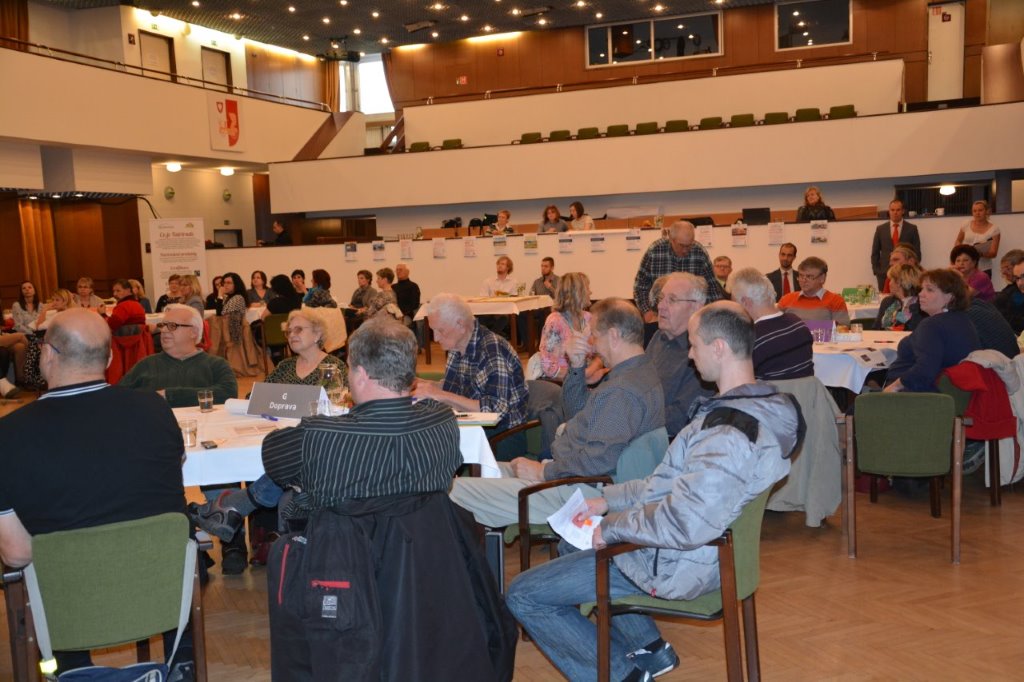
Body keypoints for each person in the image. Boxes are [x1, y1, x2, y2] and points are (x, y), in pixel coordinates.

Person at [505, 301, 799, 682]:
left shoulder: (727, 435)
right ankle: (649, 648)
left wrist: (611, 528)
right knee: (571, 543)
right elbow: (669, 485)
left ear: (719, 348)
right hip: (689, 552)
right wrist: (607, 501)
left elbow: (682, 522)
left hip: (677, 563)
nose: (689, 355)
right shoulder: (750, 410)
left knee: (523, 594)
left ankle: (621, 675)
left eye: (694, 344)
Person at [0, 308, 193, 678]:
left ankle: (73, 669)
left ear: (47, 355)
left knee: (47, 565)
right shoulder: (155, 409)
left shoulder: (8, 436)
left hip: (72, 604)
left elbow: (17, 553)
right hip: (161, 586)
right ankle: (181, 662)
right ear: (108, 358)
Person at [450, 298, 664, 529]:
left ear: (613, 336)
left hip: (578, 489)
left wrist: (543, 471)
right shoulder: (639, 373)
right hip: (574, 476)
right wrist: (577, 366)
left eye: (594, 336)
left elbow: (597, 460)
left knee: (453, 489)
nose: (592, 345)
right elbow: (576, 412)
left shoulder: (621, 391)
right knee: (485, 472)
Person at [415, 293, 528, 453]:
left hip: (503, 436)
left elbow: (495, 412)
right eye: (433, 330)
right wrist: (424, 385)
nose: (436, 337)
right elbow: (455, 390)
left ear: (460, 325)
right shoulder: (457, 346)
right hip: (473, 426)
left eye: (440, 330)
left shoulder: (493, 350)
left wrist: (439, 394)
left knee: (427, 447)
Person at [120, 304, 238, 406]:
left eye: (172, 326)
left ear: (193, 332)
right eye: (162, 325)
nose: (164, 330)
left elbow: (228, 394)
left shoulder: (216, 365)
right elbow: (118, 396)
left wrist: (169, 395)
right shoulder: (146, 364)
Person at [884, 269, 980, 392]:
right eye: (922, 289)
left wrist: (893, 387)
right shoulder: (963, 319)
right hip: (953, 394)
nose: (921, 294)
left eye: (929, 290)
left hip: (917, 395)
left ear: (950, 297)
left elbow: (924, 370)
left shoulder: (932, 325)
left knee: (861, 402)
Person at [646, 273, 714, 436]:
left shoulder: (702, 351)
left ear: (696, 307)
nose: (660, 306)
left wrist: (631, 418)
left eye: (672, 300)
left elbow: (680, 418)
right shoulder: (658, 337)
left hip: (667, 440)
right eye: (661, 298)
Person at [633, 220, 725, 328]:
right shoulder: (655, 251)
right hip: (659, 317)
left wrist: (712, 316)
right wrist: (647, 312)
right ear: (671, 239)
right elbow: (640, 286)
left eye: (689, 245)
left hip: (691, 320)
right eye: (681, 245)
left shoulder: (699, 252)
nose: (685, 250)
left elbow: (712, 290)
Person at [729, 267, 814, 381]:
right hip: (806, 392)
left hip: (769, 392)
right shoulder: (798, 324)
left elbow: (737, 381)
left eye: (734, 302)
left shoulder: (751, 338)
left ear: (745, 302)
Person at [536, 272, 602, 381]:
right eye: (587, 287)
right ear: (577, 293)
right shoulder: (555, 321)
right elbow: (549, 368)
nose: (590, 292)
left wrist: (591, 371)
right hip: (564, 383)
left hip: (589, 377)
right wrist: (584, 375)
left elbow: (601, 354)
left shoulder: (588, 318)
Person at [778, 256, 851, 324]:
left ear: (822, 278)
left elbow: (842, 329)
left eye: (809, 276)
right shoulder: (786, 300)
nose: (803, 280)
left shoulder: (836, 301)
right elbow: (775, 326)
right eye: (801, 276)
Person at [871, 199, 921, 290]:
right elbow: (875, 253)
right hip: (884, 273)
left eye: (898, 210)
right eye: (892, 210)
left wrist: (912, 270)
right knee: (885, 297)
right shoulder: (880, 229)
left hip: (905, 274)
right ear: (889, 211)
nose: (895, 212)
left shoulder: (912, 229)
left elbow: (916, 252)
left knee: (904, 296)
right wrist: (877, 271)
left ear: (903, 211)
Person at [955, 199, 1000, 276]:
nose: (977, 213)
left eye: (980, 210)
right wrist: (959, 250)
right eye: (974, 211)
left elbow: (993, 253)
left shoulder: (994, 229)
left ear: (986, 211)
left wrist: (980, 254)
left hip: (984, 268)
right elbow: (958, 240)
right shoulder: (966, 224)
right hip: (965, 268)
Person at [874, 264, 925, 331]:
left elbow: (916, 329)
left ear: (898, 282)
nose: (889, 284)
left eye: (891, 280)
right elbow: (876, 328)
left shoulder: (920, 304)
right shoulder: (888, 302)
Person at [214, 271, 248, 343]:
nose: (225, 285)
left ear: (236, 284)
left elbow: (220, 315)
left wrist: (220, 295)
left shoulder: (237, 298)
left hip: (233, 335)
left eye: (229, 283)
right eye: (224, 282)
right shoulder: (228, 297)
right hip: (227, 332)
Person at [995, 251, 1024, 334]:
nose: (1003, 272)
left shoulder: (1015, 292)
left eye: (1008, 268)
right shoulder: (1010, 291)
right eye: (1002, 269)